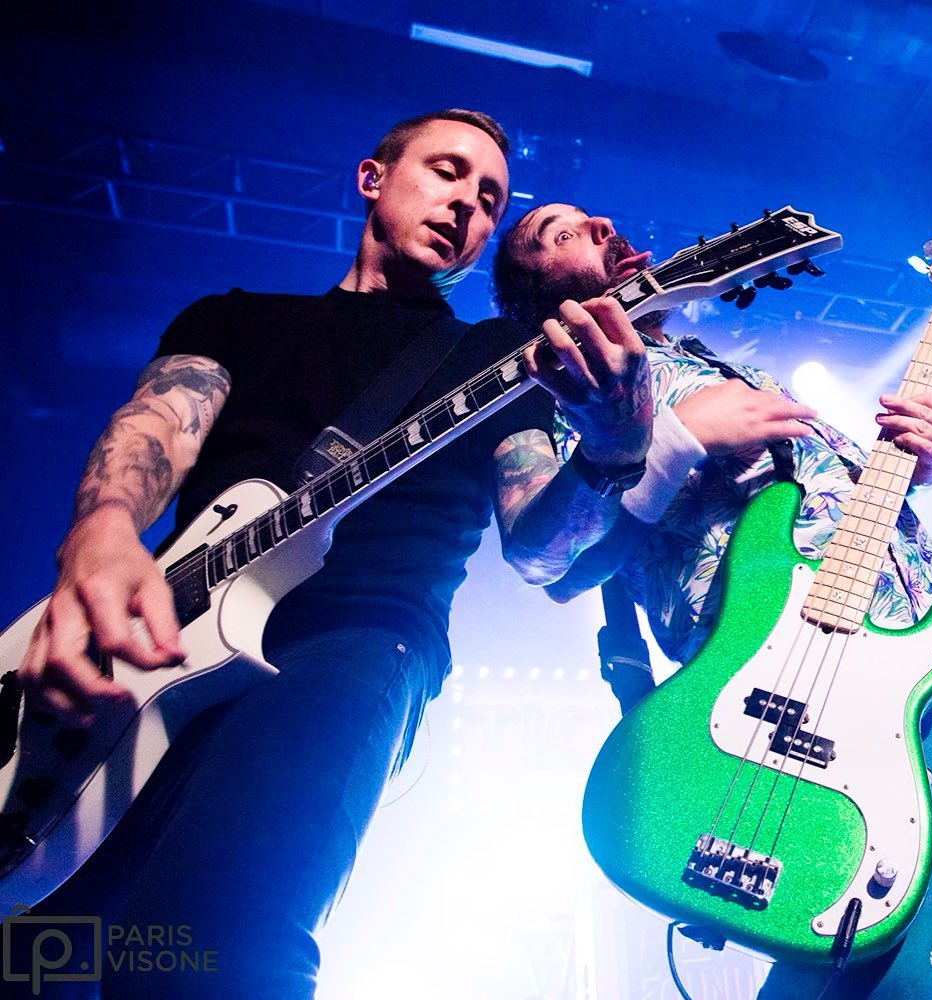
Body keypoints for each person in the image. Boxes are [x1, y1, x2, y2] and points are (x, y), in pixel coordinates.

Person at [4, 114, 648, 1000]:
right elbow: (157, 429)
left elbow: (539, 548)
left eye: (490, 199)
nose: (467, 203)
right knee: (43, 952)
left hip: (356, 635)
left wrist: (613, 449)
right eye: (448, 171)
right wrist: (101, 533)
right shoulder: (237, 318)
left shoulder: (495, 356)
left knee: (214, 938)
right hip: (160, 642)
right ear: (372, 178)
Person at [490, 204, 932, 999]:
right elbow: (544, 559)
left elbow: (818, 506)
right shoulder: (542, 398)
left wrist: (920, 464)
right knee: (887, 974)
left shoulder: (709, 363)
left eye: (594, 219)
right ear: (535, 297)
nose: (598, 223)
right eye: (558, 234)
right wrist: (674, 442)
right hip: (808, 695)